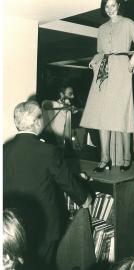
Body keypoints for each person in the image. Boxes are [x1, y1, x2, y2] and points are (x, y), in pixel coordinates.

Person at [3, 101, 93, 269]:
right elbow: (67, 183)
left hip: (12, 228)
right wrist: (85, 199)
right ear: (37, 122)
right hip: (44, 227)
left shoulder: (4, 150)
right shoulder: (48, 151)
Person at [80, 0, 134, 172]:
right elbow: (100, 51)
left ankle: (127, 157)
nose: (110, 9)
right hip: (103, 71)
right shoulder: (101, 29)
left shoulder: (128, 23)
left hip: (121, 69)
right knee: (103, 116)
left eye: (113, 5)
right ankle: (104, 159)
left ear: (119, 5)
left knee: (122, 115)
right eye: (106, 6)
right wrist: (94, 60)